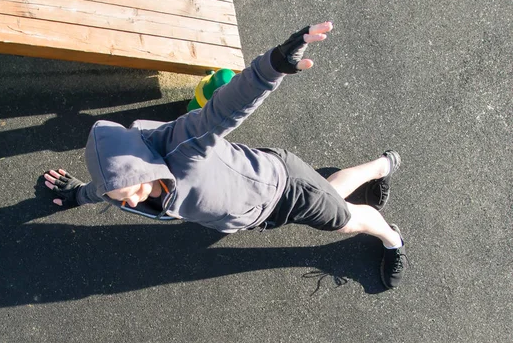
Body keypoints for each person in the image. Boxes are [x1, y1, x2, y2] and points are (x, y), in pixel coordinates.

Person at [43, 22, 409, 289]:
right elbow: (104, 188)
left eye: (133, 189)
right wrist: (77, 193)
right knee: (331, 193)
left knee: (346, 218)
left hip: (286, 191)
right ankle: (378, 168)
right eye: (121, 197)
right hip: (256, 207)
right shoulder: (122, 182)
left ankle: (392, 237)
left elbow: (222, 110)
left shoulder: (181, 146)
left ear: (139, 165)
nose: (133, 198)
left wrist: (273, 66)